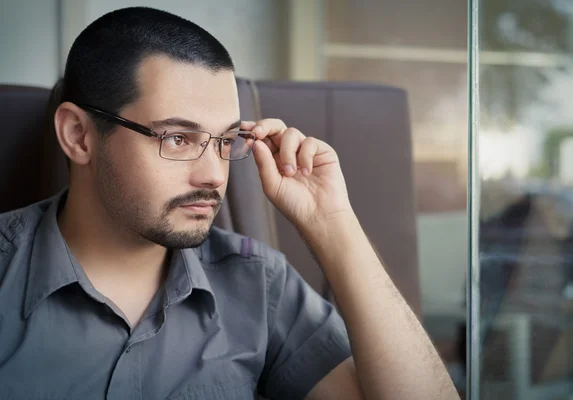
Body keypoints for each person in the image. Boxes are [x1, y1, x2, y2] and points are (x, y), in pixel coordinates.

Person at [0, 7, 459, 400]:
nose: (214, 175)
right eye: (178, 138)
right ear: (79, 136)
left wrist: (333, 223)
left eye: (225, 141)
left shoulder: (257, 283)